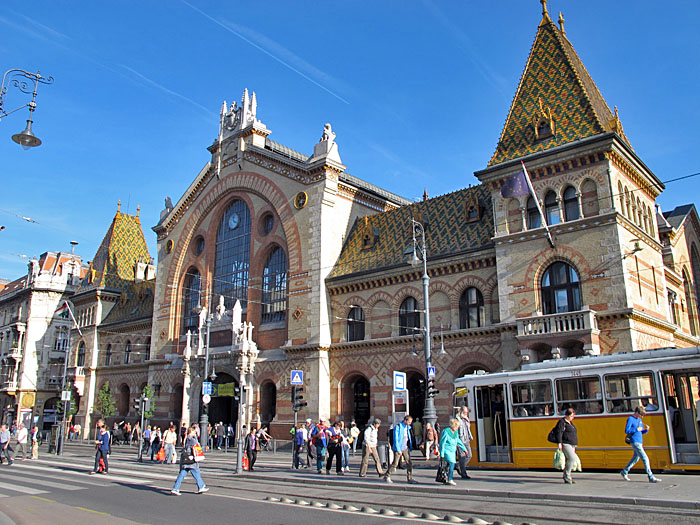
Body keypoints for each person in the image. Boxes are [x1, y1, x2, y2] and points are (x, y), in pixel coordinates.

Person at [620, 406, 661, 483]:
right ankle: (651, 476)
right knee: (645, 458)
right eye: (641, 415)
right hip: (634, 441)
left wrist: (646, 430)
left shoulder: (639, 420)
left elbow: (640, 431)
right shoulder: (631, 419)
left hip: (639, 441)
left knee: (636, 458)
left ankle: (624, 471)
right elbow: (627, 430)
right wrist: (636, 429)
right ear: (637, 412)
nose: (642, 417)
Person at [171, 425, 209, 495]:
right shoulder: (191, 439)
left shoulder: (188, 438)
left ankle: (175, 488)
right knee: (196, 472)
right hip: (190, 459)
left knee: (182, 474)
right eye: (194, 432)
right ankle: (201, 486)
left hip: (186, 459)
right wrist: (196, 437)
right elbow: (198, 445)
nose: (195, 433)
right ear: (191, 432)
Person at [383, 415, 417, 484]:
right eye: (409, 422)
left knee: (409, 462)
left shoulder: (408, 427)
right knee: (395, 463)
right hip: (398, 447)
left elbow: (408, 438)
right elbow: (396, 439)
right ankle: (387, 475)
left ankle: (409, 478)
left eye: (411, 422)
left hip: (405, 447)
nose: (410, 423)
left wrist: (410, 446)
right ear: (405, 420)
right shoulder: (398, 427)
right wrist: (398, 450)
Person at [553, 408, 578, 484]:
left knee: (568, 460)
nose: (573, 417)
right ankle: (567, 475)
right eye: (572, 416)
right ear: (568, 415)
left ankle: (567, 476)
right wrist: (559, 443)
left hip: (572, 444)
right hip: (565, 443)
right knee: (572, 458)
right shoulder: (562, 422)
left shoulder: (570, 423)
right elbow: (559, 433)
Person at [439, 418, 467, 485]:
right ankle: (450, 479)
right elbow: (442, 443)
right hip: (447, 451)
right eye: (457, 426)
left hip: (452, 451)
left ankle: (446, 478)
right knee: (452, 463)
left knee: (448, 466)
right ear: (453, 425)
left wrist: (464, 449)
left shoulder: (455, 432)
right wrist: (442, 454)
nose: (458, 428)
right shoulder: (446, 431)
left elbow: (458, 441)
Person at [456, 407, 474, 479]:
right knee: (462, 457)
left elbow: (468, 429)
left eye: (467, 412)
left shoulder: (466, 419)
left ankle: (458, 466)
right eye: (465, 412)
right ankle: (463, 474)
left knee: (469, 455)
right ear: (461, 412)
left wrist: (468, 421)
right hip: (460, 441)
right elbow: (455, 430)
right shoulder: (457, 419)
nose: (466, 414)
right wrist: (457, 442)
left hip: (466, 440)